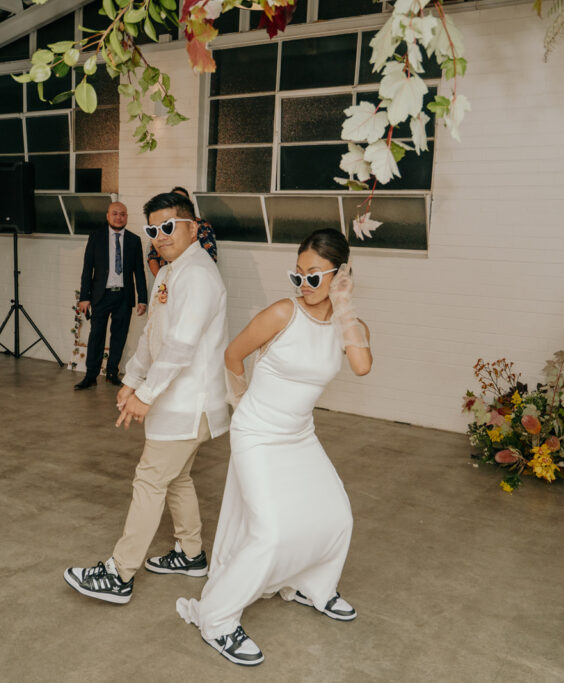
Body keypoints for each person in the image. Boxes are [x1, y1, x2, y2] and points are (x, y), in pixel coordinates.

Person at [175, 228, 373, 666]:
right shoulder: (283, 313)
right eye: (297, 274)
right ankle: (218, 620)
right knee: (270, 533)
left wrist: (343, 304)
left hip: (299, 434)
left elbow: (361, 366)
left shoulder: (349, 325)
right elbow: (232, 354)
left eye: (314, 275)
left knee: (337, 514)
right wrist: (241, 401)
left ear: (340, 275)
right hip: (258, 433)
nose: (303, 284)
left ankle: (314, 587)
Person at [64, 192, 229, 605]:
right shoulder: (173, 271)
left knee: (151, 480)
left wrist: (147, 393)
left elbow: (181, 346)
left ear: (193, 225)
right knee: (177, 478)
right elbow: (155, 335)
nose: (159, 237)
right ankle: (191, 554)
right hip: (175, 402)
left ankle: (120, 574)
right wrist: (133, 379)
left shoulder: (199, 276)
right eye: (153, 230)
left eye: (168, 227)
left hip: (188, 403)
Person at [74, 202, 149, 389]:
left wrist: (142, 299)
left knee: (119, 336)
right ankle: (91, 375)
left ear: (126, 217)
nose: (119, 217)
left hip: (124, 297)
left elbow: (139, 272)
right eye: (115, 213)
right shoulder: (96, 237)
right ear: (108, 216)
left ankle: (112, 372)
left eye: (123, 214)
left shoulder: (134, 240)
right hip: (101, 295)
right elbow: (87, 270)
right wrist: (84, 297)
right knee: (96, 336)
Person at [147, 187, 216, 276]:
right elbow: (152, 256)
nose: (161, 237)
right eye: (153, 230)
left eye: (169, 227)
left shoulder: (197, 271)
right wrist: (162, 280)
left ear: (193, 228)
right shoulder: (159, 230)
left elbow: (211, 255)